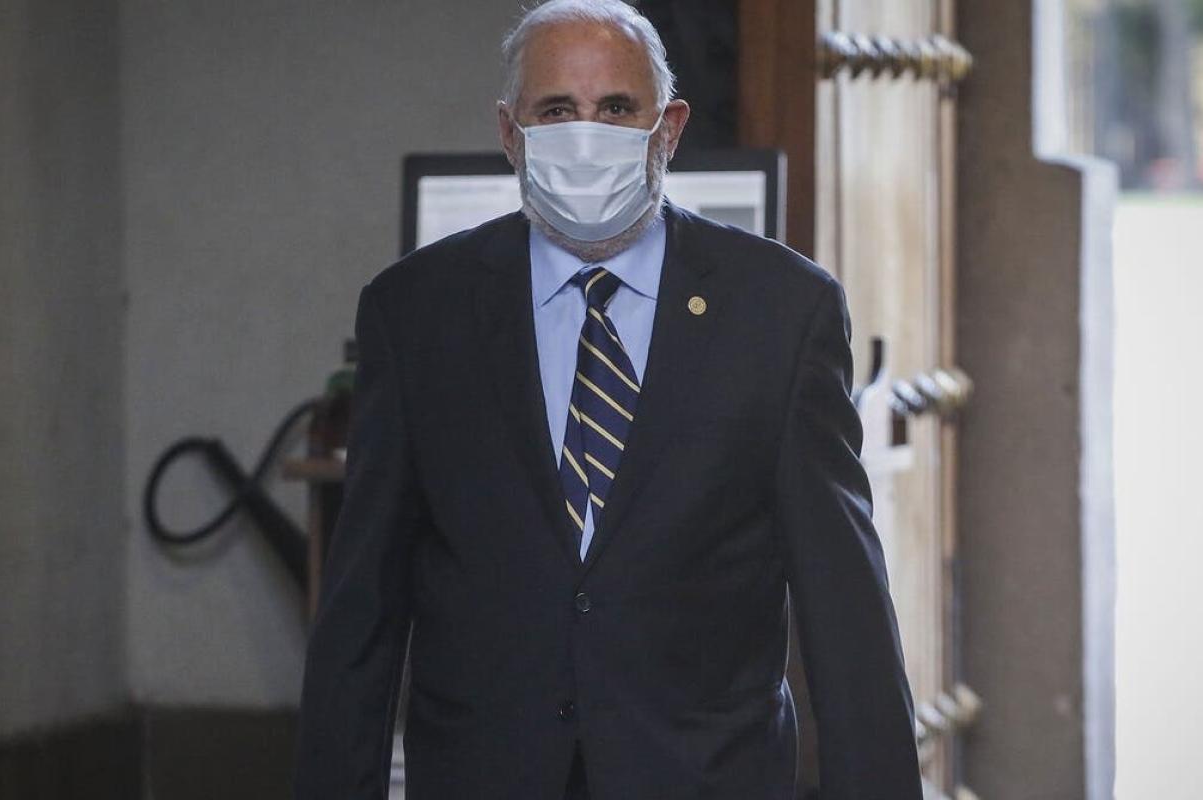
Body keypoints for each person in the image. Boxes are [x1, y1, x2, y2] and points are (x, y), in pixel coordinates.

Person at [293, 1, 922, 797]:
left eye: (618, 108)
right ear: (509, 132)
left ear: (669, 129)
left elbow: (846, 608)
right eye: (557, 110)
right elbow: (363, 611)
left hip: (706, 777)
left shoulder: (781, 312)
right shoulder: (416, 313)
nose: (587, 137)